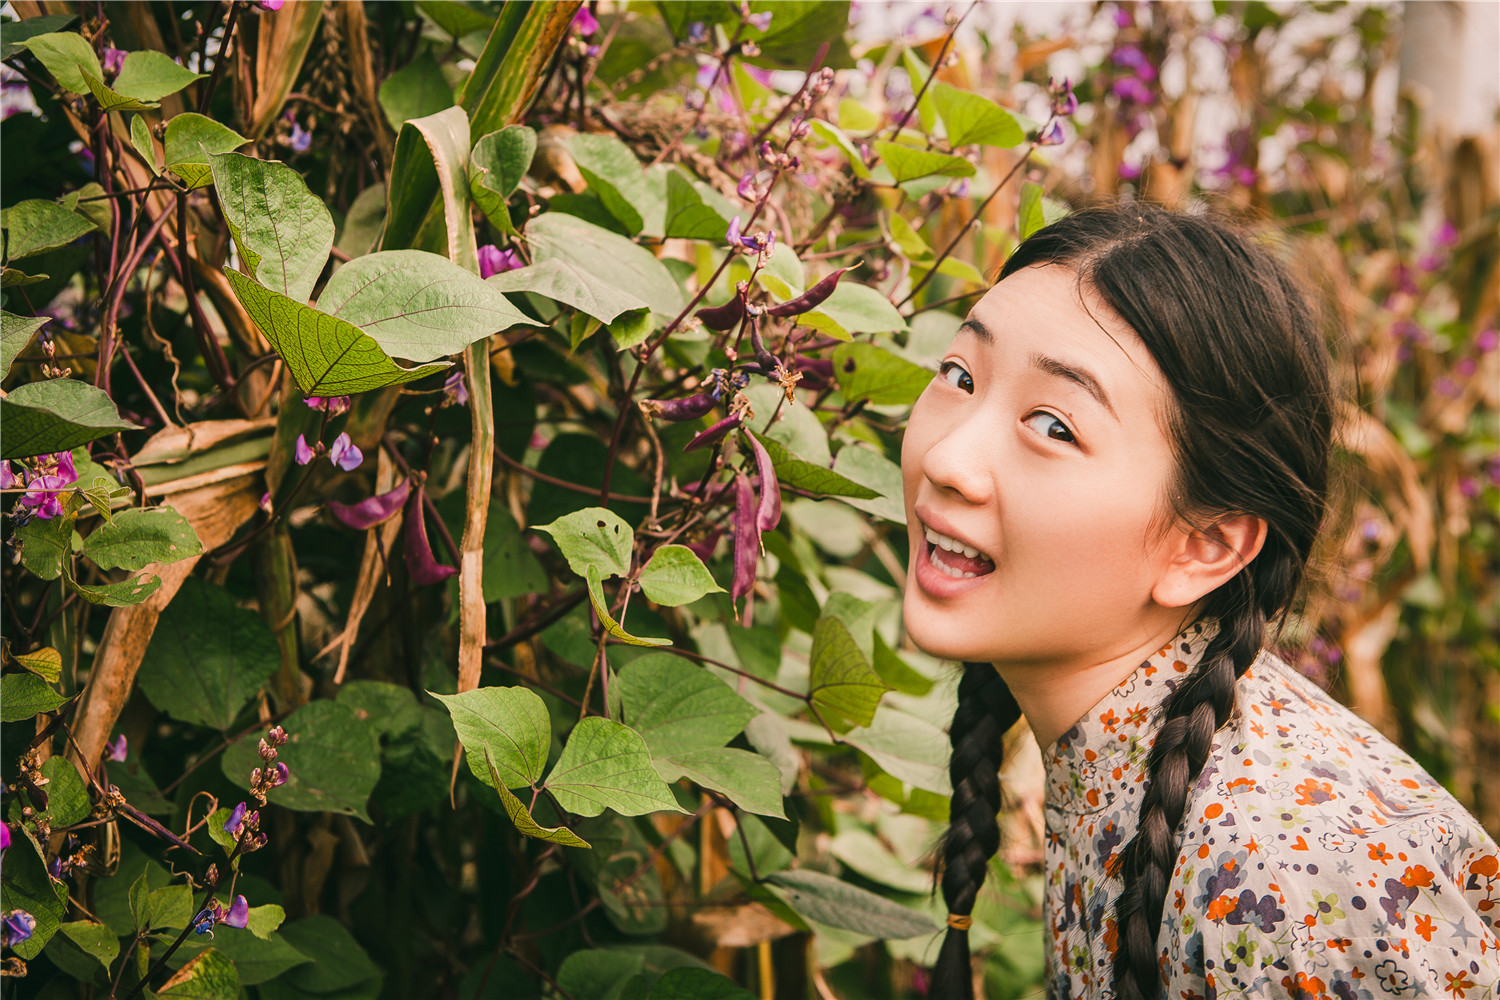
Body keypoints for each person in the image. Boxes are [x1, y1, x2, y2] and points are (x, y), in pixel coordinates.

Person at [899, 204, 1500, 999]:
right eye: (959, 376)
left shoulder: (1283, 879)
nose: (948, 457)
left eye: (1052, 425)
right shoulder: (1134, 767)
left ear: (1204, 545)